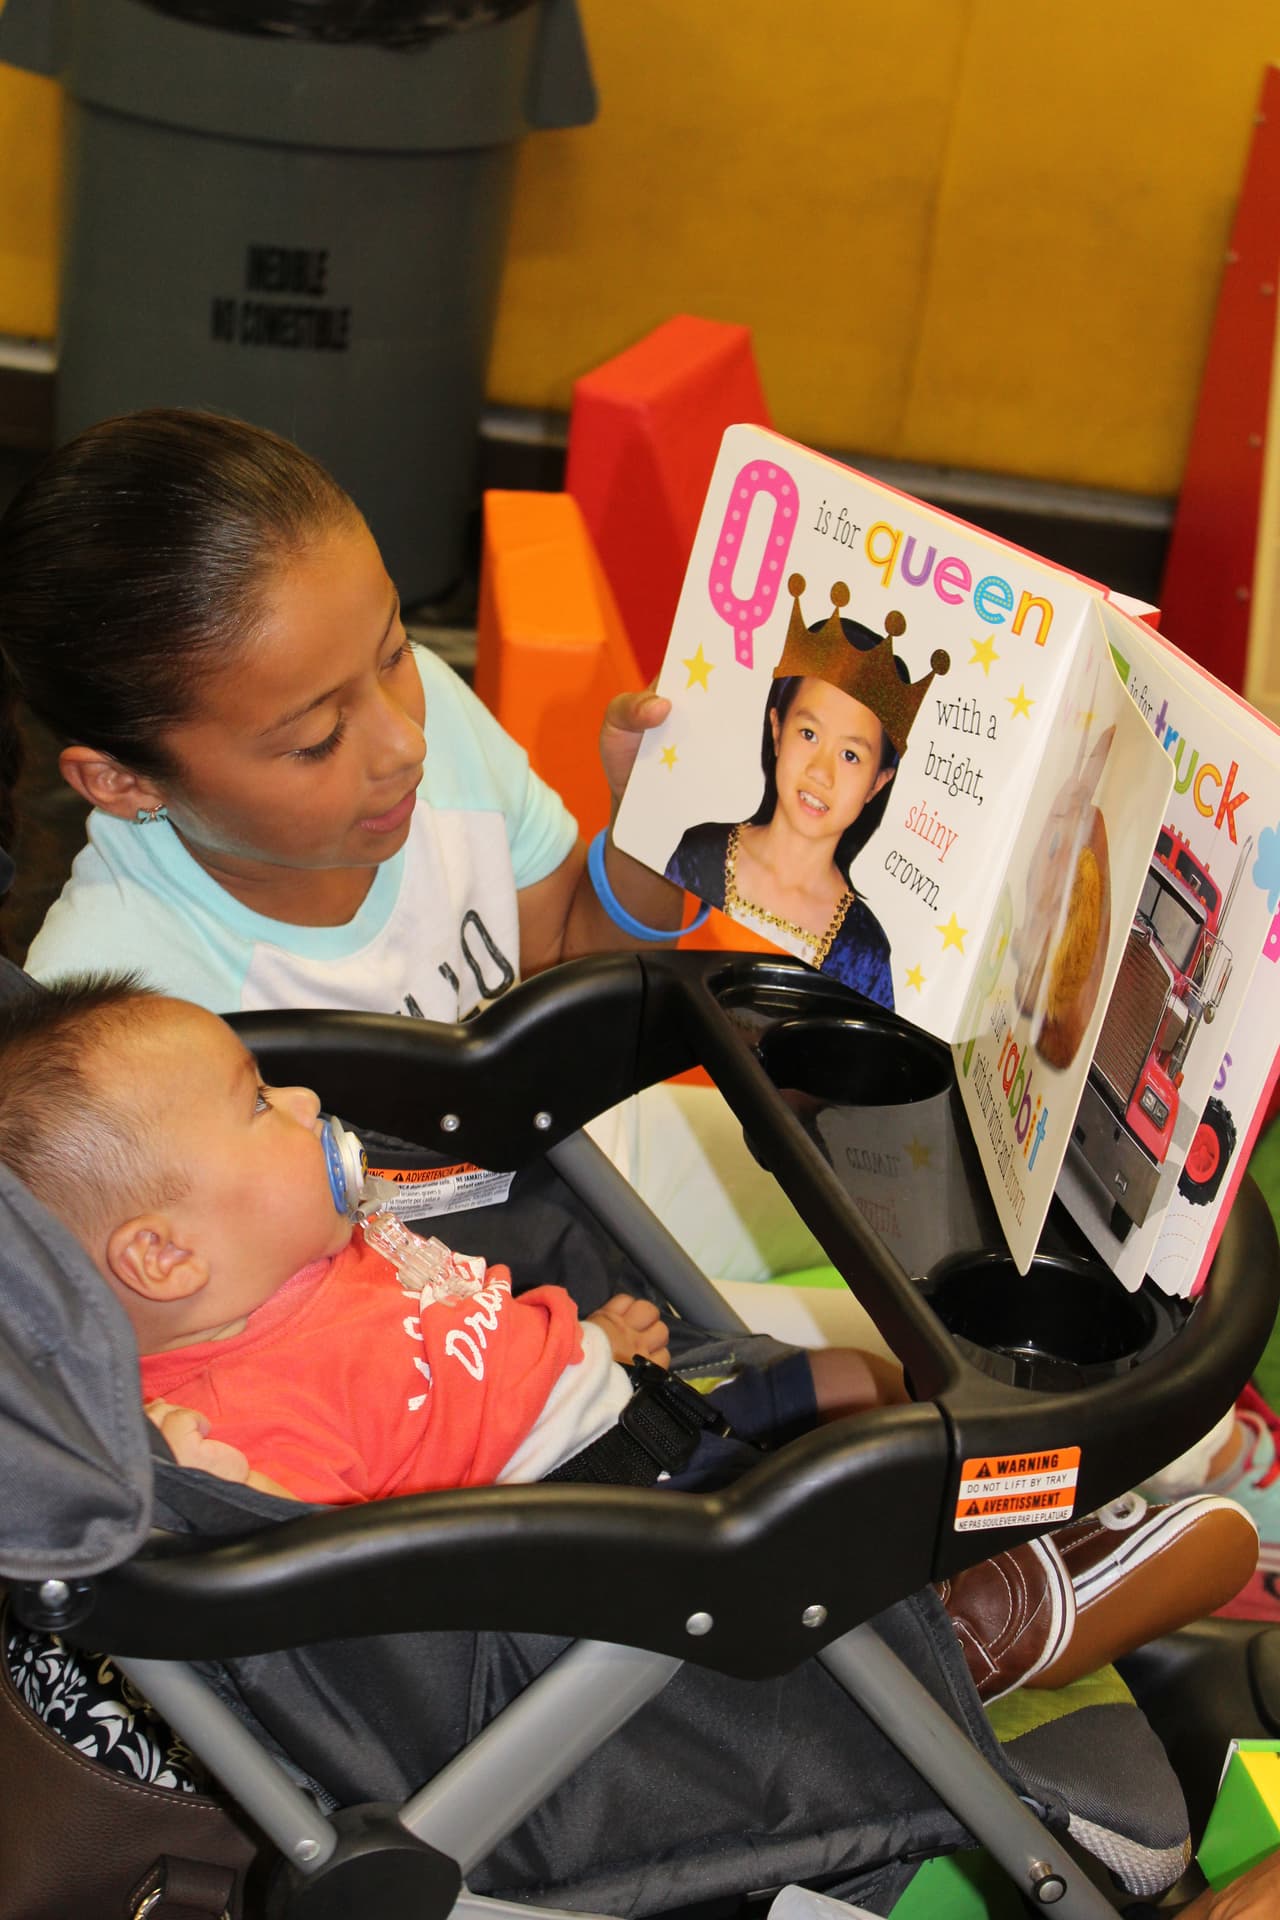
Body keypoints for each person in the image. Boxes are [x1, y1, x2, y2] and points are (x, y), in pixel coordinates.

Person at [0, 975, 1261, 1703]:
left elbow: (452, 1334)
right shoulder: (235, 1421)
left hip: (622, 1401)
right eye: (258, 1105)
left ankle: (1081, 1480)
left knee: (859, 1381)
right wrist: (242, 1498)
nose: (309, 1099)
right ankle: (954, 1631)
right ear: (161, 1257)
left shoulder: (309, 1245)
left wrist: (579, 1337)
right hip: (610, 1537)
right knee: (889, 1479)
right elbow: (337, 1590)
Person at [0, 407, 845, 1314]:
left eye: (396, 650)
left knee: (902, 1214)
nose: (404, 742)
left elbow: (567, 962)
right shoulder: (105, 1034)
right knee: (917, 1381)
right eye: (318, 738)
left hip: (570, 1163)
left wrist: (651, 836)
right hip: (479, 1334)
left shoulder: (423, 713)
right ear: (123, 782)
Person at [664, 582, 949, 1010]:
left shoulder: (865, 948)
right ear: (777, 729)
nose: (821, 771)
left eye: (851, 755)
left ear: (878, 783)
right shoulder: (699, 853)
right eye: (809, 733)